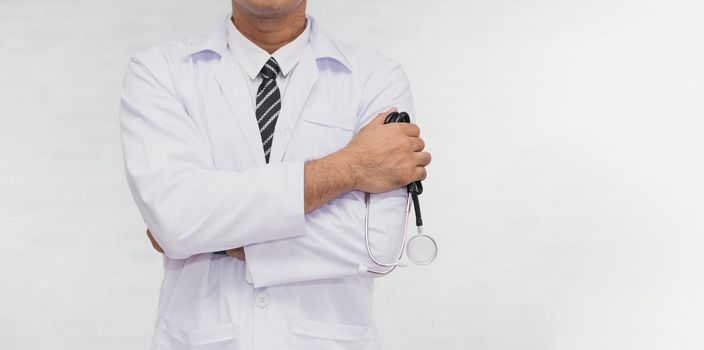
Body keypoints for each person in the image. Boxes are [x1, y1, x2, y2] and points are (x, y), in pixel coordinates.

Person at [119, 0, 431, 348]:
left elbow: (377, 243)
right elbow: (176, 218)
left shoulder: (375, 78)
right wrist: (350, 166)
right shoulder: (159, 72)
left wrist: (207, 236)